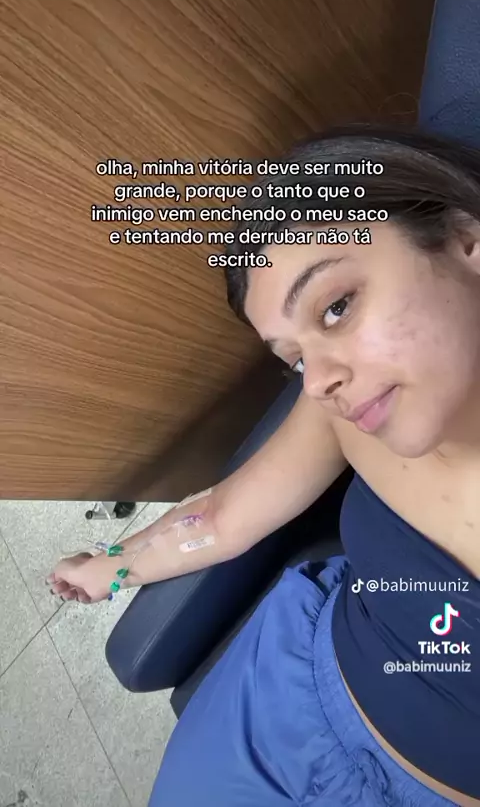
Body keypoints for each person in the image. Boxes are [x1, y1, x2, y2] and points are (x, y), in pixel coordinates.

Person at [47, 126, 480, 806]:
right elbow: (221, 520)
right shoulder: (349, 409)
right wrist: (113, 566)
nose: (319, 381)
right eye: (296, 359)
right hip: (284, 700)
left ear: (464, 237)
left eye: (336, 307)